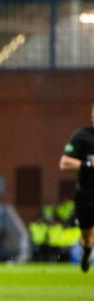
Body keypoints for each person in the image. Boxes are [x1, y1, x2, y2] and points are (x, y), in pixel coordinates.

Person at [59, 103, 94, 272]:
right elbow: (64, 163)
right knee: (87, 237)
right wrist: (88, 163)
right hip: (86, 193)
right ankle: (87, 251)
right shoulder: (82, 136)